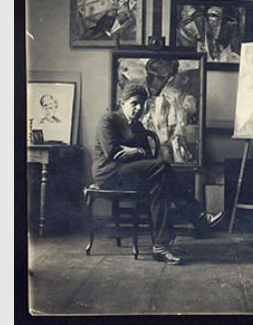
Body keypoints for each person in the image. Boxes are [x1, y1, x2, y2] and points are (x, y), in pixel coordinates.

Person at [92, 84, 223, 264]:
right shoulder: (109, 120)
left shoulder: (138, 126)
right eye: (134, 103)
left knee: (159, 186)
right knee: (162, 166)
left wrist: (136, 151)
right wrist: (137, 152)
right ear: (122, 103)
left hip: (129, 174)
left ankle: (161, 246)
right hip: (108, 174)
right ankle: (197, 216)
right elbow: (113, 152)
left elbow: (146, 155)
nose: (139, 108)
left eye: (142, 104)